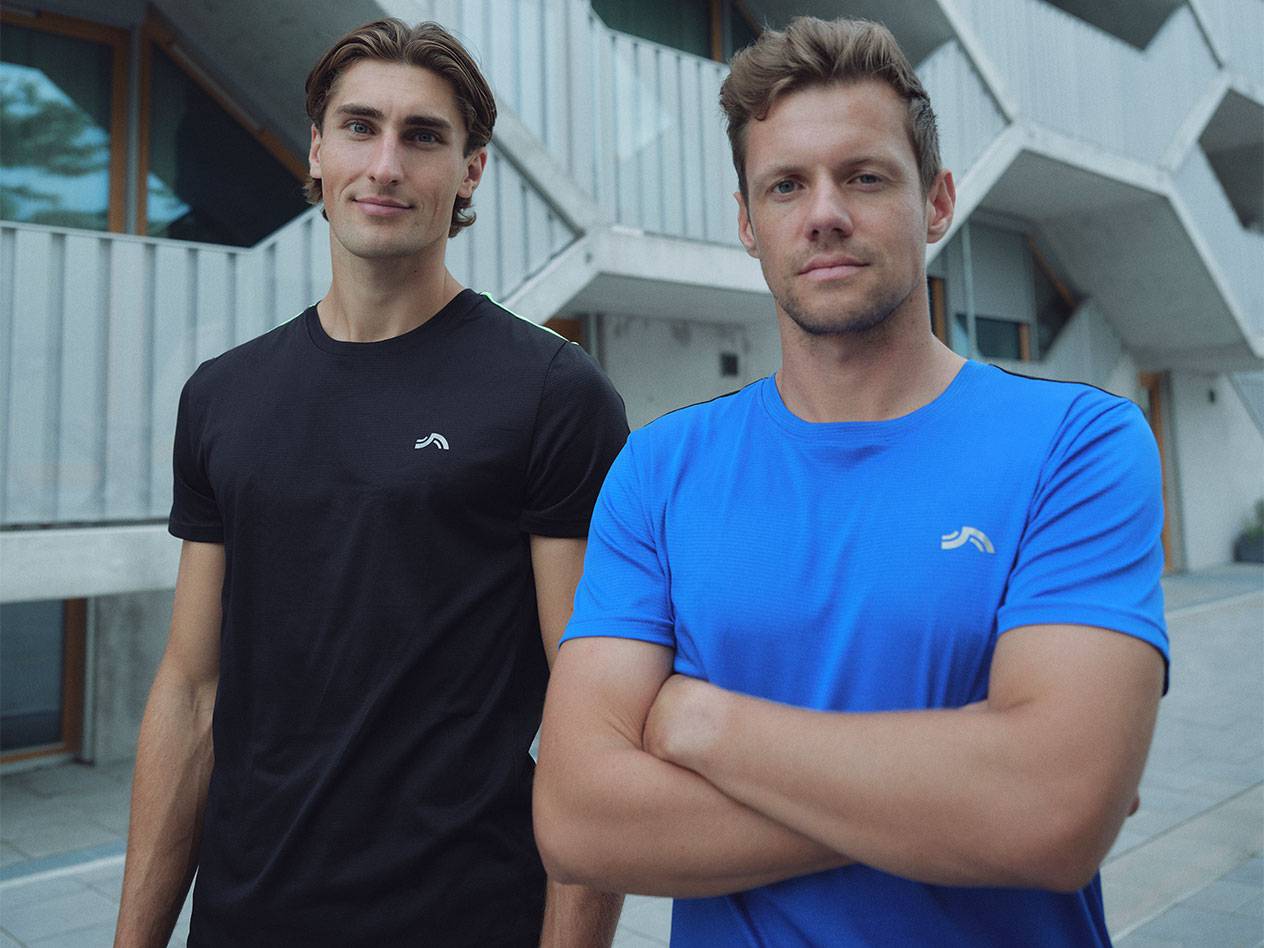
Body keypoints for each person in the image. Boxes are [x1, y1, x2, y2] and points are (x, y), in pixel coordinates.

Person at [534, 16, 1167, 947]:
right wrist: (969, 804)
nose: (823, 212)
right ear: (748, 224)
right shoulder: (660, 470)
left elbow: (1052, 813)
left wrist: (701, 724)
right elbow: (580, 822)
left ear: (937, 202)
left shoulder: (1076, 444)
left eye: (865, 177)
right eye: (786, 185)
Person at [114, 18, 627, 947]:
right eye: (360, 127)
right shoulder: (223, 395)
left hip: (465, 919)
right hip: (244, 918)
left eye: (423, 136)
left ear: (470, 171)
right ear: (317, 150)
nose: (385, 165)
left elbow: (592, 716)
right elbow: (191, 691)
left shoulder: (553, 395)